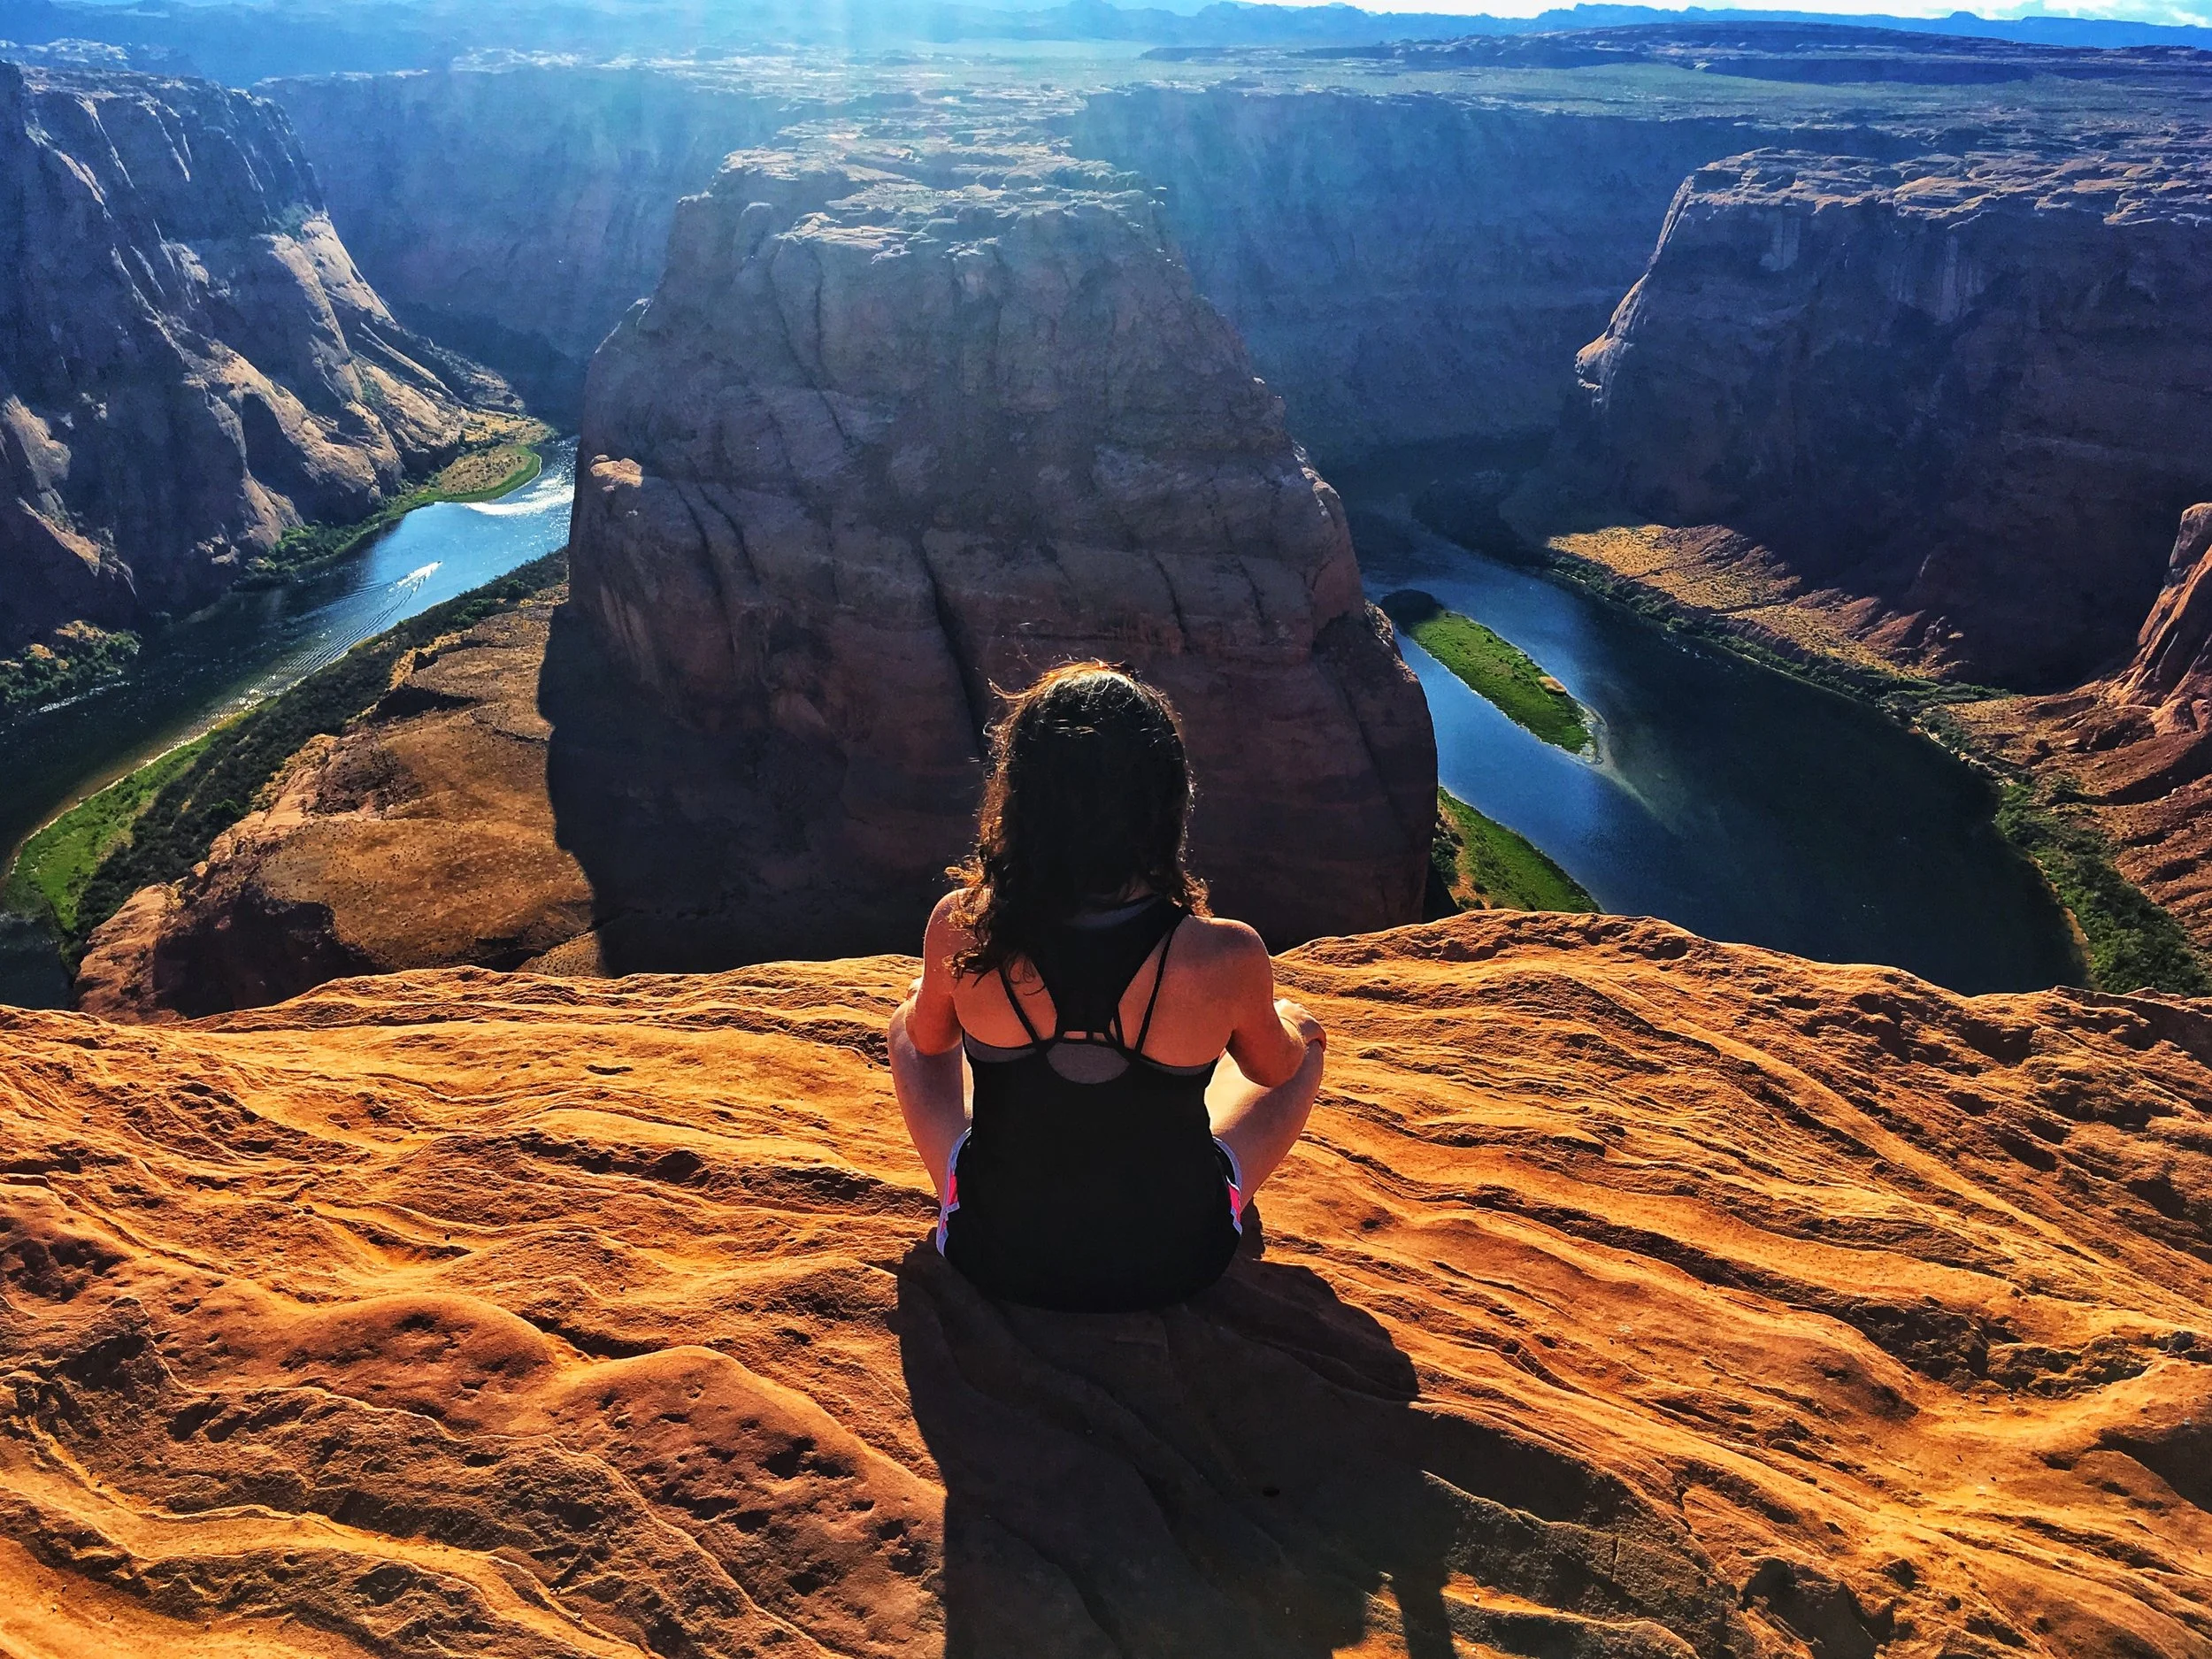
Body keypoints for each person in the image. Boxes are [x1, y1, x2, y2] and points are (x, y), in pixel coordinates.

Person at [888, 661, 1327, 1312]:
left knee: (907, 1028)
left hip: (994, 1254)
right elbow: (1274, 1068)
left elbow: (929, 1041)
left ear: (1021, 797)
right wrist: (1290, 1024)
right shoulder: (1226, 953)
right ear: (1165, 801)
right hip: (1181, 1261)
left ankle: (975, 1185)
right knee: (1303, 1042)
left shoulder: (963, 924)